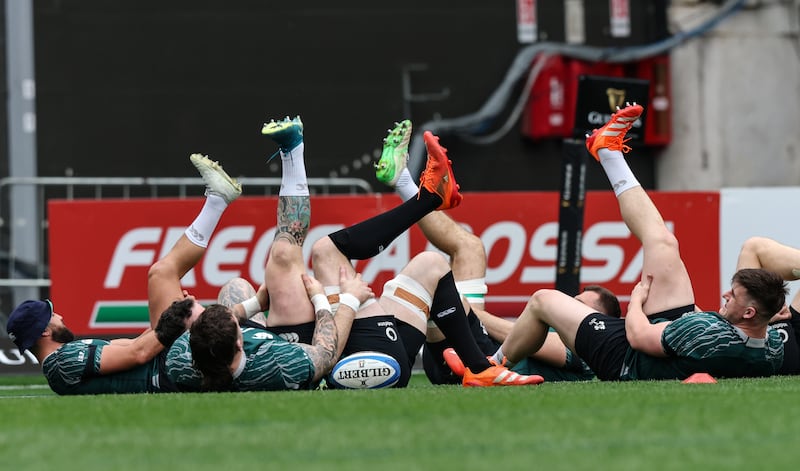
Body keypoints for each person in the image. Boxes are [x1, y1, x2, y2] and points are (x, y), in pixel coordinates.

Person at [493, 103, 786, 381]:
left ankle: (491, 365)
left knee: (543, 300)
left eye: (732, 295)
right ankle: (608, 151)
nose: (724, 295)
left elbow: (637, 336)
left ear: (750, 312)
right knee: (663, 242)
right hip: (673, 341)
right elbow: (708, 337)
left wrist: (636, 299)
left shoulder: (707, 333)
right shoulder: (771, 348)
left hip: (625, 357)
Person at [374, 119, 620, 384]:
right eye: (575, 300)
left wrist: (460, 308)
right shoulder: (555, 325)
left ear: (599, 325)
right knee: (470, 248)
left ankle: (418, 189)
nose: (569, 306)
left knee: (437, 279)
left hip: (477, 364)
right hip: (468, 350)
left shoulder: (588, 353)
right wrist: (460, 309)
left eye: (580, 307)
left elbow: (522, 338)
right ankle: (404, 183)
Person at [4, 153, 243, 394]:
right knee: (163, 274)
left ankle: (218, 200)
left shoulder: (65, 358)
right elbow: (139, 353)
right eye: (52, 315)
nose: (60, 316)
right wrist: (176, 318)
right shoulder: (62, 361)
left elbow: (137, 344)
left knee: (195, 282)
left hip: (166, 365)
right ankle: (217, 201)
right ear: (44, 331)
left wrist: (176, 314)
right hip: (169, 370)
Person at [166, 116, 371, 392]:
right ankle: (293, 151)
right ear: (240, 342)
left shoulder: (180, 361)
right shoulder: (279, 363)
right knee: (284, 254)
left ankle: (218, 199)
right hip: (294, 345)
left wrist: (253, 306)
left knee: (235, 287)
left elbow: (206, 339)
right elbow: (326, 355)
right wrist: (335, 299)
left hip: (245, 348)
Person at [735, 236, 800, 374]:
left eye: (732, 294)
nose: (725, 294)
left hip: (763, 323)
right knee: (752, 248)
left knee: (753, 247)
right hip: (766, 341)